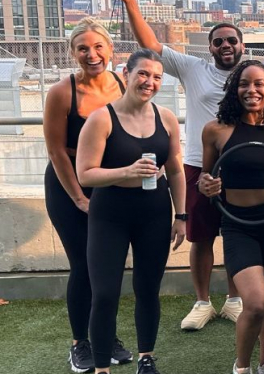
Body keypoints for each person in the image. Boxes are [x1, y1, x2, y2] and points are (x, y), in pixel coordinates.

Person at [118, 0, 259, 329]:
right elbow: (150, 44)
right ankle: (202, 301)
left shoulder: (254, 75)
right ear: (210, 47)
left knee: (238, 237)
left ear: (242, 45)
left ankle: (234, 299)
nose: (226, 45)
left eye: (232, 40)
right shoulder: (193, 68)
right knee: (201, 236)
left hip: (242, 167)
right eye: (219, 41)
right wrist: (131, 2)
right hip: (198, 164)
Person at [76, 50, 185, 374]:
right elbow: (85, 174)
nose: (149, 82)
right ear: (126, 73)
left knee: (148, 289)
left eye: (156, 77)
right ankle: (101, 368)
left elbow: (176, 171)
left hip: (153, 212)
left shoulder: (166, 118)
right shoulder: (102, 118)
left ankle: (146, 357)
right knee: (106, 292)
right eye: (143, 74)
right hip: (110, 213)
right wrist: (127, 172)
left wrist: (181, 216)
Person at [197, 60, 264, 374]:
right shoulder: (215, 130)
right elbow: (206, 177)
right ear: (235, 89)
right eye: (244, 83)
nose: (252, 90)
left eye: (259, 84)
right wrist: (206, 185)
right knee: (255, 303)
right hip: (239, 225)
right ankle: (242, 367)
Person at [41, 18, 129, 372]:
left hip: (109, 186)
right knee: (84, 265)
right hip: (69, 188)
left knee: (108, 267)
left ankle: (105, 337)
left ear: (109, 49)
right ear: (73, 53)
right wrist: (78, 198)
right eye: (83, 49)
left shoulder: (123, 84)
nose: (92, 55)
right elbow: (57, 152)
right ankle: (81, 343)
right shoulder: (62, 92)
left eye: (98, 47)